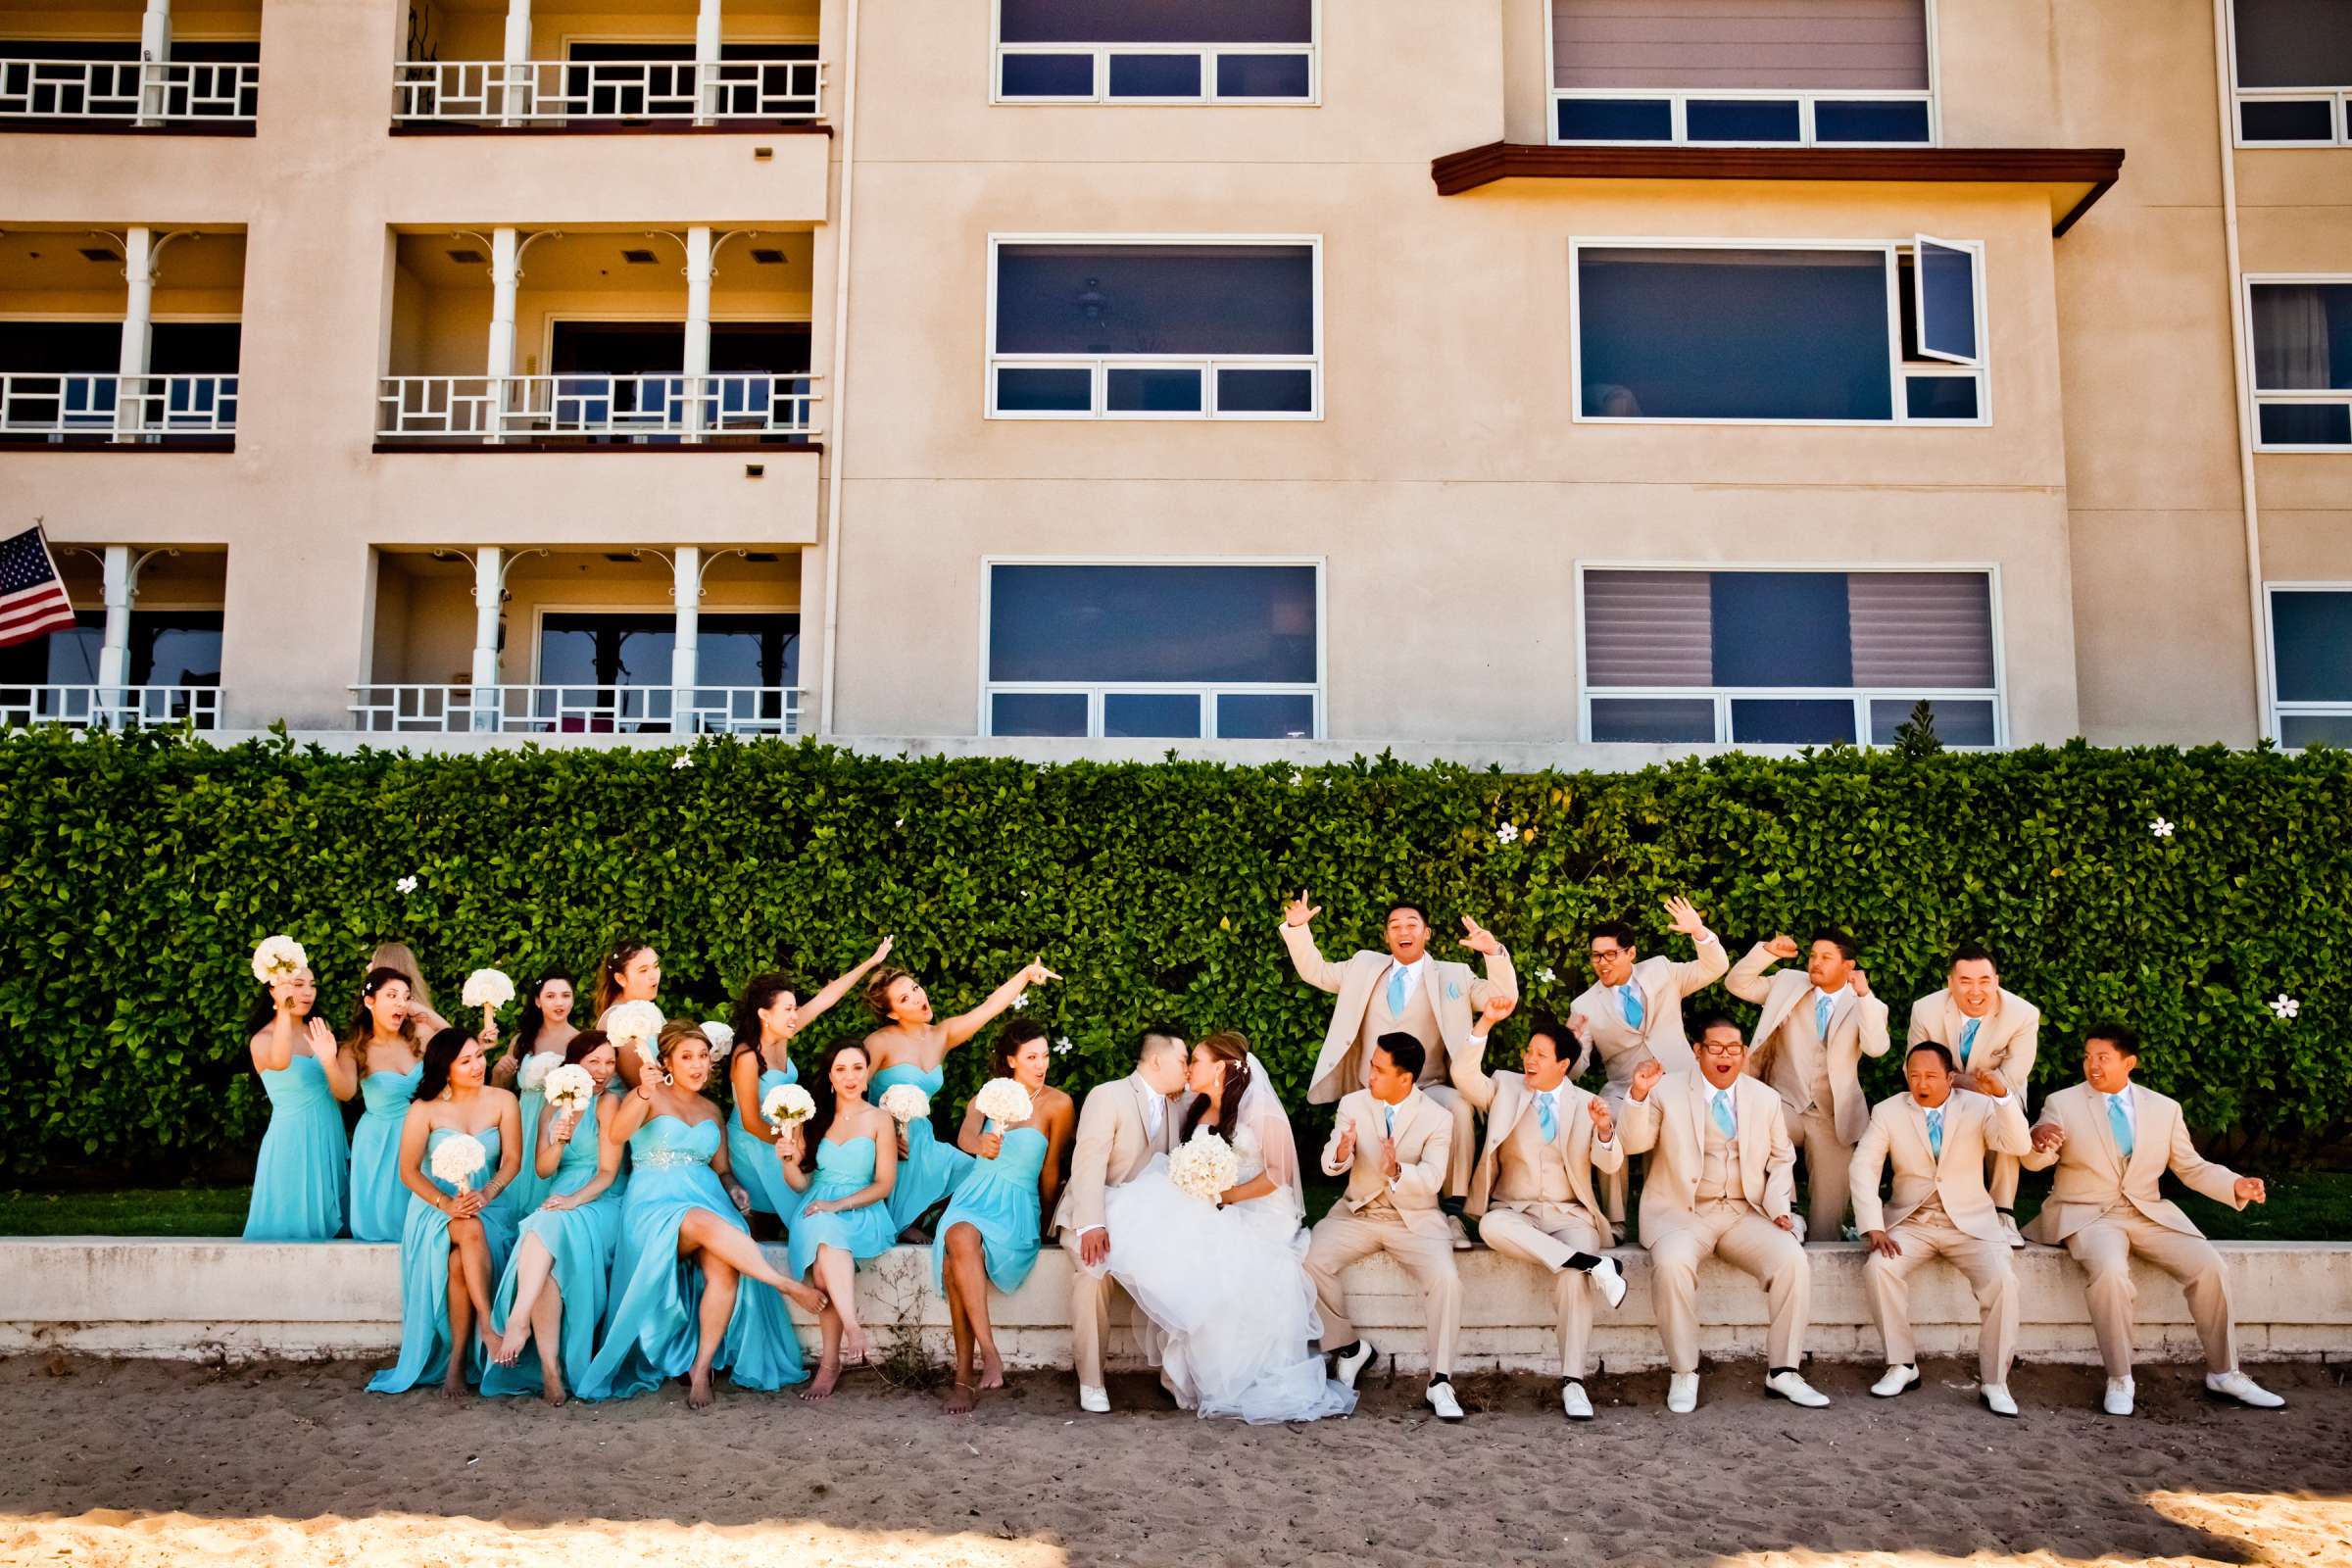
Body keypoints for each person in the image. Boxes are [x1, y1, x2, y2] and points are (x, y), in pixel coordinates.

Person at [2021, 1023, 2284, 1416]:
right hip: (2088, 1214)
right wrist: (2039, 1142)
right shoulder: (2062, 1102)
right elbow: (2035, 1158)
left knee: (2209, 1266)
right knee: (2110, 1272)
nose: (2092, 1065)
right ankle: (2120, 1378)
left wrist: (2236, 1185)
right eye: (2088, 1057)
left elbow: (2191, 1167)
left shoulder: (2164, 1108)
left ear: (2130, 1062)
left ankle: (2225, 1373)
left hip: (2147, 1211)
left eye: (2103, 1057)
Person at [1097, 1031, 1356, 1424]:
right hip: (1215, 1202)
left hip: (1262, 1211)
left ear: (1219, 1067)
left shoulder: (1260, 1112)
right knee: (1163, 1227)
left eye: (1196, 1061)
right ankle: (1188, 1371)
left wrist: (1224, 1197)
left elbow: (1278, 1175)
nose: (1188, 1068)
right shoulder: (1192, 1107)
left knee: (1222, 1262)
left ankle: (1218, 1376)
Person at [577, 1020, 827, 1407]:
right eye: (686, 1057)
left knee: (724, 1267)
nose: (697, 1066)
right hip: (655, 1203)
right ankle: (784, 1284)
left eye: (703, 1058)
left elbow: (722, 1169)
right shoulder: (648, 1096)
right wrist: (643, 1089)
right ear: (667, 1063)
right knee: (699, 1219)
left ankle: (701, 1368)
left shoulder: (712, 1110)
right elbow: (616, 1135)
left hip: (707, 1198)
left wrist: (736, 1190)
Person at [1280, 893, 1516, 1248]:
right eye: (1395, 926)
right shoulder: (1362, 966)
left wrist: (1493, 953)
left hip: (1430, 1086)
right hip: (1373, 1087)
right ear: (1387, 936)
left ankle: (1453, 1212)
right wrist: (1297, 929)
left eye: (1412, 925)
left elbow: (1502, 1000)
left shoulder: (1454, 975)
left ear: (1427, 933)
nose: (1403, 931)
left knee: (1459, 1106)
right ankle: (1367, 1203)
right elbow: (1318, 971)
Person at [1619, 1015, 1829, 1414]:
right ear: (1697, 1051)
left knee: (1791, 1260)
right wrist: (1638, 1095)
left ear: (1743, 1054)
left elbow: (1783, 1158)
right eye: (1715, 1047)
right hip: (1682, 1212)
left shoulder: (1764, 1098)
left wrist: (1779, 1207)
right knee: (1672, 1263)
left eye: (1733, 1048)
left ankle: (1783, 1370)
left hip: (1742, 1210)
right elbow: (1633, 1143)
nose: (1725, 1056)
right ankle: (1684, 1371)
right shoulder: (1668, 1090)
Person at [1449, 999, 1628, 1421]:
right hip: (1516, 1211)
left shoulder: (1586, 1102)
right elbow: (1462, 1075)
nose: (1529, 1059)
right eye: (1528, 1052)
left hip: (1571, 1215)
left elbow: (1611, 1163)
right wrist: (1486, 1022)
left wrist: (1604, 1130)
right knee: (1491, 1225)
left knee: (1571, 1279)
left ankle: (1573, 1382)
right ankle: (1595, 1264)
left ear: (1563, 1064)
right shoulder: (1506, 1086)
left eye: (1540, 1055)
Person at [1851, 1041, 2033, 1418]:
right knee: (1880, 1269)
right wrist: (1872, 1225)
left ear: (1950, 1077)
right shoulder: (1887, 1111)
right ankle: (1902, 1365)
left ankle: (1995, 1381)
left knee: (2003, 1280)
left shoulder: (1979, 1106)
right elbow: (1864, 1167)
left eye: (1931, 1075)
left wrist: (2001, 1099)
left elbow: (2017, 1143)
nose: (1921, 1083)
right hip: (1913, 1222)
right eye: (1914, 1075)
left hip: (1971, 1222)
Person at [1304, 1035, 1466, 1421]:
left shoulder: (1438, 1118)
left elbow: (1431, 1179)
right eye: (1371, 1064)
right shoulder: (1353, 1104)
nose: (1369, 1073)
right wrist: (1342, 1152)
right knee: (1309, 1260)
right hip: (1357, 1213)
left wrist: (1397, 1171)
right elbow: (1330, 1162)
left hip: (1414, 1219)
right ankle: (1347, 1347)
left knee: (1447, 1279)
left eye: (1378, 1068)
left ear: (1405, 1079)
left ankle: (1440, 1380)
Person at [366, 1028, 522, 1396]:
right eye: (465, 1061)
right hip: (434, 1209)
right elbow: (408, 1171)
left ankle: (456, 1361)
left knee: (458, 1264)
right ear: (445, 1067)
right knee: (467, 1229)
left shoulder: (503, 1100)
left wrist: (487, 1192)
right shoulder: (425, 1109)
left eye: (479, 1057)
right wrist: (447, 1203)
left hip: (490, 1205)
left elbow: (513, 1160)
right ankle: (488, 1326)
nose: (477, 1066)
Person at [934, 1019, 1076, 1414]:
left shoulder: (1057, 1103)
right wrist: (980, 1144)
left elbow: (1050, 1171)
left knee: (953, 1262)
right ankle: (988, 1356)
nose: (1041, 1064)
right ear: (1011, 1060)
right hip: (974, 1195)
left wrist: (1049, 1221)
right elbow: (964, 1137)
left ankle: (963, 1377)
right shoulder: (989, 1095)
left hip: (1015, 1204)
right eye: (1031, 1057)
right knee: (959, 1236)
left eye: (1045, 1055)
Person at [862, 958, 1058, 1241]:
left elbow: (988, 1009)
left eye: (916, 988)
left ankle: (927, 1221)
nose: (918, 998)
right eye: (905, 998)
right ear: (893, 1014)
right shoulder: (878, 1043)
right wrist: (881, 1134)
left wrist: (1026, 975)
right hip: (883, 1140)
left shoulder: (941, 1035)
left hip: (923, 1141)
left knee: (973, 1174)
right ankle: (903, 1224)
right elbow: (850, 1091)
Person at [1054, 1025, 1196, 1414]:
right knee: (1092, 1271)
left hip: (1144, 1218)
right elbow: (1088, 1164)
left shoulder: (1176, 1105)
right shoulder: (1108, 1095)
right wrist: (1092, 1224)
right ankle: (1091, 1380)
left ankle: (1175, 1376)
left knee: (1185, 1265)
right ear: (1156, 1060)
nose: (1187, 1069)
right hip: (1093, 1210)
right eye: (1183, 1060)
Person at [1566, 897, 1728, 1236]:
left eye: (1611, 954)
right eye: (1596, 956)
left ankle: (1679, 1215)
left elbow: (1714, 968)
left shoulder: (1662, 971)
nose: (1602, 963)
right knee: (1605, 1122)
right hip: (1625, 1088)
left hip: (1680, 1082)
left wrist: (1698, 931)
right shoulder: (1584, 1004)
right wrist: (1572, 1040)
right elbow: (1577, 1069)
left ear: (1631, 953)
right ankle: (1616, 1221)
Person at [483, 1031, 624, 1404]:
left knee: (544, 1224)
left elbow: (608, 1173)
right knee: (545, 1256)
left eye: (610, 1063)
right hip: (559, 1193)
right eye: (595, 1062)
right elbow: (544, 1170)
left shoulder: (609, 1103)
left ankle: (517, 1320)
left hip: (600, 1198)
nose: (603, 1071)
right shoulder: (552, 1106)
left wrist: (573, 1200)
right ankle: (549, 1368)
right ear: (575, 1064)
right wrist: (559, 1139)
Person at [1728, 931, 1890, 1242]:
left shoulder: (1868, 1005)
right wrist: (1768, 952)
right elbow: (1737, 984)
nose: (1815, 962)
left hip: (1832, 1115)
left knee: (1828, 1217)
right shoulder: (1789, 982)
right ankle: (1783, 1216)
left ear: (1849, 966)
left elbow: (1877, 1048)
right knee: (1759, 1131)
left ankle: (1823, 1243)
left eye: (1826, 957)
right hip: (1782, 1101)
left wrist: (1864, 996)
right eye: (1813, 955)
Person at [725, 938, 896, 1231]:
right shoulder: (747, 1057)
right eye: (788, 1010)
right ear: (765, 1015)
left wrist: (870, 963)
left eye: (795, 1009)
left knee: (806, 1199)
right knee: (794, 1210)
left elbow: (826, 998)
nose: (795, 1016)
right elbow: (751, 1121)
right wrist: (796, 1144)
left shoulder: (783, 1033)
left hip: (785, 1138)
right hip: (755, 1144)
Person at [781, 1039, 901, 1399]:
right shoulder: (813, 1120)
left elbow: (884, 1184)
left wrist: (840, 1205)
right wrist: (786, 1159)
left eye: (857, 1069)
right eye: (841, 1069)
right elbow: (800, 1183)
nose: (850, 1077)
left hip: (861, 1208)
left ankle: (831, 1361)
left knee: (822, 1268)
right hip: (816, 1207)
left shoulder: (880, 1120)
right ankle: (853, 1330)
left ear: (867, 1076)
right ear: (830, 1077)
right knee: (822, 1230)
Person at [1906, 944, 2041, 1245]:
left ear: (1996, 981)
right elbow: (1915, 1067)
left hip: (1997, 1095)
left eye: (1984, 981)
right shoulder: (1925, 1010)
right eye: (1965, 981)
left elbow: (2011, 1078)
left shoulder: (2023, 1015)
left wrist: (1963, 1083)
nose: (1975, 991)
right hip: (1944, 1094)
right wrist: (1965, 1085)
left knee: (2006, 1114)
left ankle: (2003, 1213)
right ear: (1950, 983)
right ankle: (1928, 1206)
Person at [241, 963, 356, 1240]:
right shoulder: (261, 1039)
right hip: (291, 1139)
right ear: (274, 990)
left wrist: (329, 1058)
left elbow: (339, 1085)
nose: (308, 993)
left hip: (327, 1130)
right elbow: (279, 1061)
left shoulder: (318, 1028)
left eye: (312, 985)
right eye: (298, 985)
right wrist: (282, 1010)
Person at [345, 966, 431, 1244]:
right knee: (382, 1222)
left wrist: (419, 1010)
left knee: (421, 1221)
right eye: (391, 995)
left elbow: (453, 1042)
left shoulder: (419, 1036)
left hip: (421, 1134)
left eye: (405, 997)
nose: (400, 1003)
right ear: (369, 1001)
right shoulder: (354, 1049)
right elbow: (344, 1092)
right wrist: (325, 1058)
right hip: (378, 1140)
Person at [494, 970, 578, 1218]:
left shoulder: (580, 1041)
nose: (559, 1002)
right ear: (538, 1001)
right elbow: (501, 1091)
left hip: (559, 1121)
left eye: (565, 995)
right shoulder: (522, 1041)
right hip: (523, 1121)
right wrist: (500, 1072)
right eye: (551, 996)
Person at [598, 940, 664, 1090]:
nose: (654, 976)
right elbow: (640, 1084)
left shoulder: (650, 1009)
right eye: (643, 970)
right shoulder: (618, 1020)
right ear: (621, 979)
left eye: (656, 966)